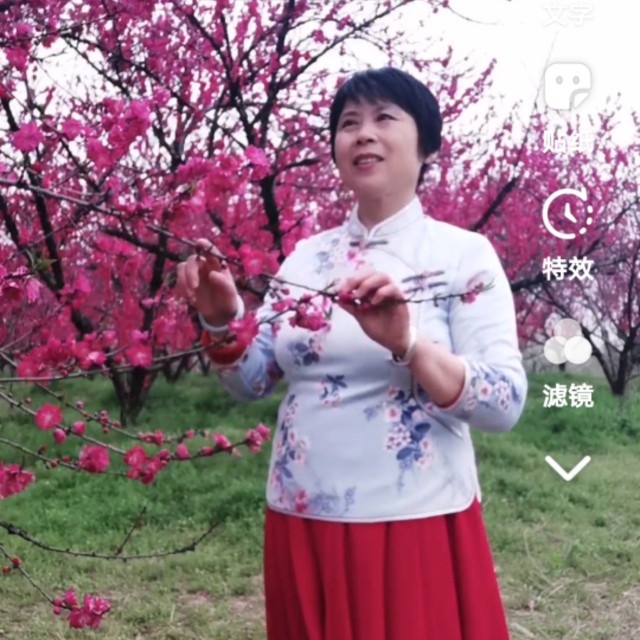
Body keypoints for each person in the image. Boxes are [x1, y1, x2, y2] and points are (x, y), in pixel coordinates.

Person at [176, 67, 527, 640]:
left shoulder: (463, 256)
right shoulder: (306, 260)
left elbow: (504, 402)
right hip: (301, 514)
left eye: (384, 117)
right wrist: (220, 318)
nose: (364, 133)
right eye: (348, 123)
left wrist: (408, 345)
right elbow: (252, 380)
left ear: (427, 144)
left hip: (411, 518)